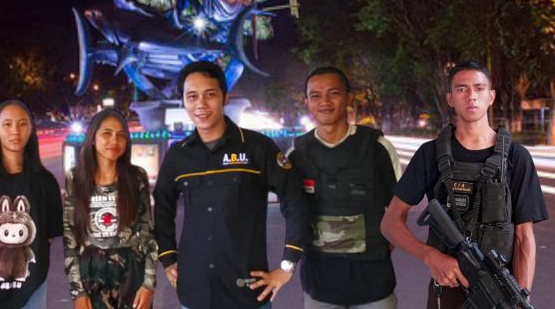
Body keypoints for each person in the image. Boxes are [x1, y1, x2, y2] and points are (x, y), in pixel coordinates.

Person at [380, 61, 549, 308]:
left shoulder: (517, 157)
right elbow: (390, 222)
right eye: (462, 89)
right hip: (446, 295)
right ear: (450, 99)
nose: (471, 96)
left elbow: (524, 239)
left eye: (479, 88)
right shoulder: (430, 154)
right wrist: (430, 256)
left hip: (499, 294)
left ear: (491, 96)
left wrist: (519, 302)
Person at [153, 61, 311, 309]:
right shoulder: (178, 155)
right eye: (192, 96)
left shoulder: (257, 147)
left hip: (247, 293)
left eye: (210, 94)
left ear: (225, 98)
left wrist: (287, 265)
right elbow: (162, 206)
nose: (201, 104)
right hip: (196, 293)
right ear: (183, 101)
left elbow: (295, 200)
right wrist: (168, 257)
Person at [288, 67, 401, 309]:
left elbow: (398, 207)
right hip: (319, 285)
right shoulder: (297, 154)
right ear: (307, 102)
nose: (325, 102)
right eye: (316, 95)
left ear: (349, 98)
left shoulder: (377, 147)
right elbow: (292, 212)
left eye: (334, 93)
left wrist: (383, 245)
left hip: (374, 282)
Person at [0, 99, 63, 309]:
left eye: (22, 123)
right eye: (7, 124)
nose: (15, 131)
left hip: (31, 285)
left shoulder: (45, 182)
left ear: (31, 129)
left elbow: (48, 235)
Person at [63, 108, 158, 309]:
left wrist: (149, 284)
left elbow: (147, 233)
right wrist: (77, 291)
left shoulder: (136, 177)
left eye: (121, 135)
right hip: (92, 274)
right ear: (93, 138)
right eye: (107, 133)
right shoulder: (76, 178)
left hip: (132, 272)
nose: (115, 141)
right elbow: (70, 236)